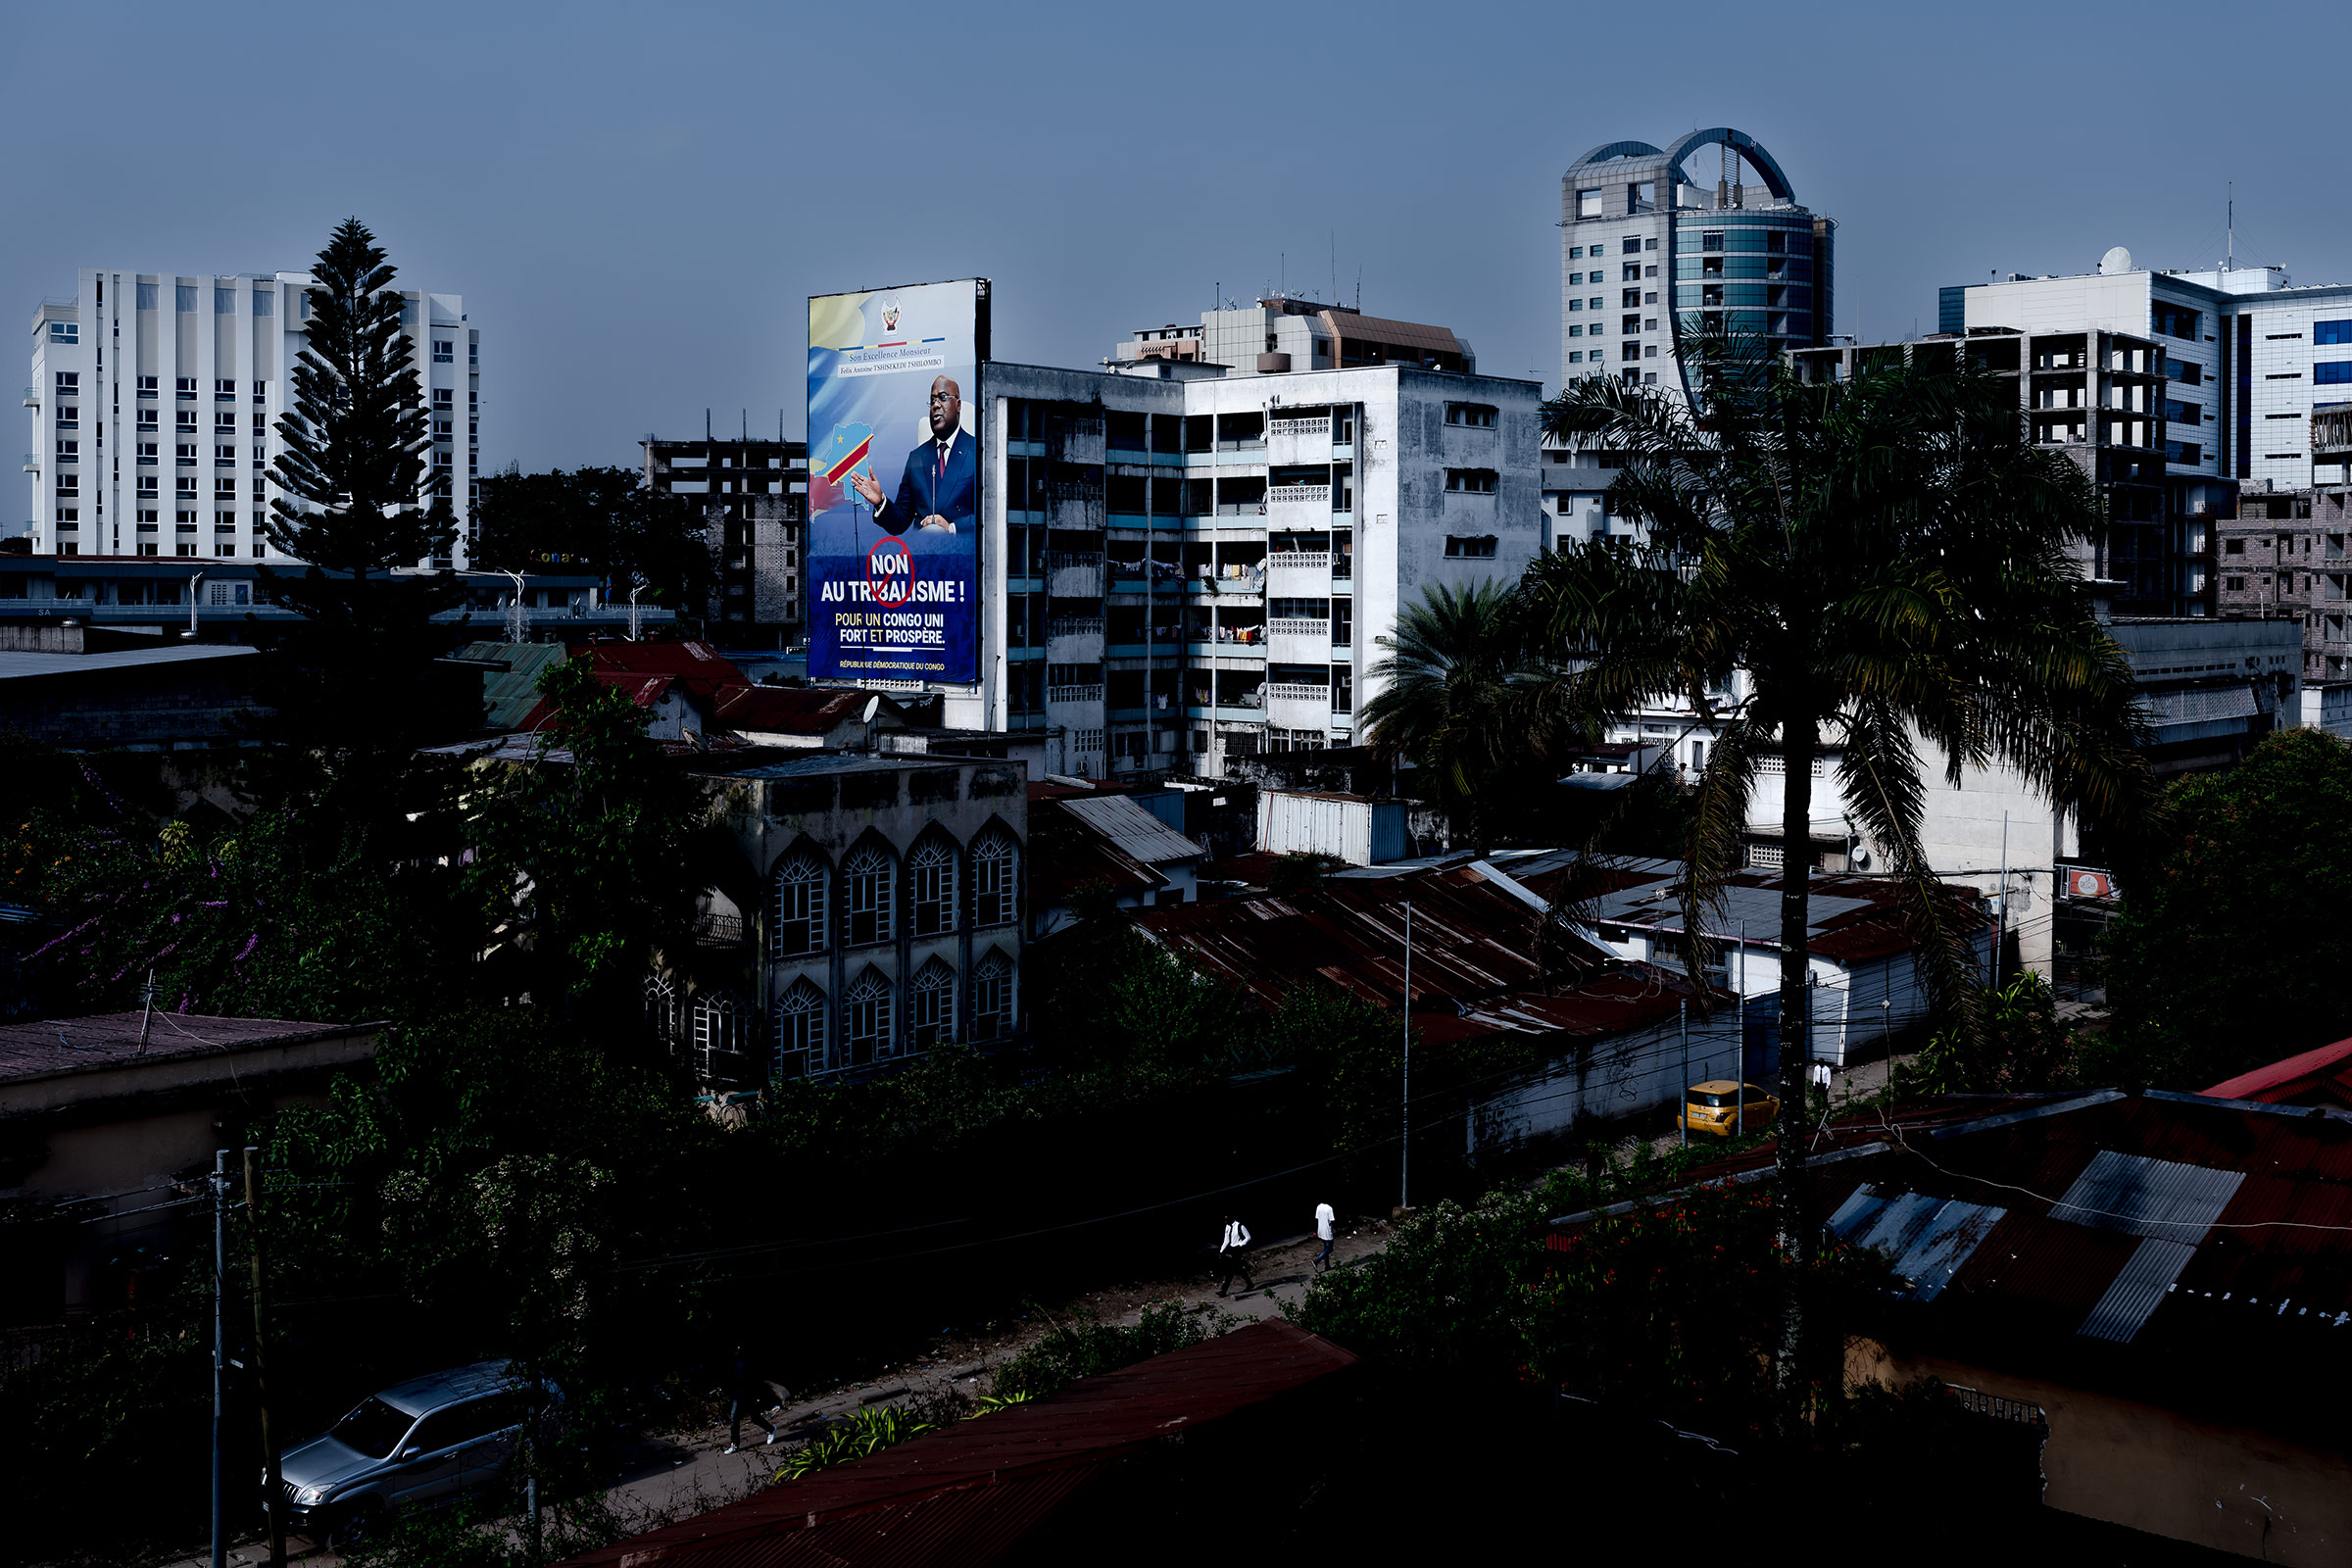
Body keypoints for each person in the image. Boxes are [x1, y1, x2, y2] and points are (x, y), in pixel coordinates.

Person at [847, 375, 975, 533]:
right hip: (923, 552)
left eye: (942, 397)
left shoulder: (978, 452)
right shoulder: (916, 457)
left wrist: (951, 528)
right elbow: (900, 522)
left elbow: (988, 515)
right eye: (932, 400)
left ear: (958, 405)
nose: (936, 405)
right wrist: (880, 502)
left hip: (963, 552)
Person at [722, 1343, 778, 1453]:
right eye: (736, 1351)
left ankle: (771, 1429)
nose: (737, 1353)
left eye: (739, 1350)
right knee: (734, 1419)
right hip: (737, 1395)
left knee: (755, 1418)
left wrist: (757, 1396)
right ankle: (734, 1444)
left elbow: (755, 1381)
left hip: (749, 1394)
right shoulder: (732, 1363)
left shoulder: (749, 1364)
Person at [1215, 1213, 1254, 1298]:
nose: (1225, 1222)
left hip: (1238, 1249)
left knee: (1230, 1270)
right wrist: (1221, 1251)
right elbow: (1226, 1240)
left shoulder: (1240, 1226)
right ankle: (1249, 1283)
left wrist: (1240, 1244)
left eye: (1227, 1220)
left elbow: (1248, 1237)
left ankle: (1223, 1290)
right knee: (1239, 1268)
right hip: (1232, 1248)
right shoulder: (1228, 1227)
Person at [1312, 1200, 1337, 1273]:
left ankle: (1327, 1265)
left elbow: (1316, 1219)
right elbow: (1332, 1220)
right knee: (1329, 1249)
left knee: (1326, 1248)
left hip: (1321, 1230)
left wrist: (1315, 1230)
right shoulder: (1329, 1208)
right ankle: (1316, 1261)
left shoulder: (1319, 1206)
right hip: (1327, 1231)